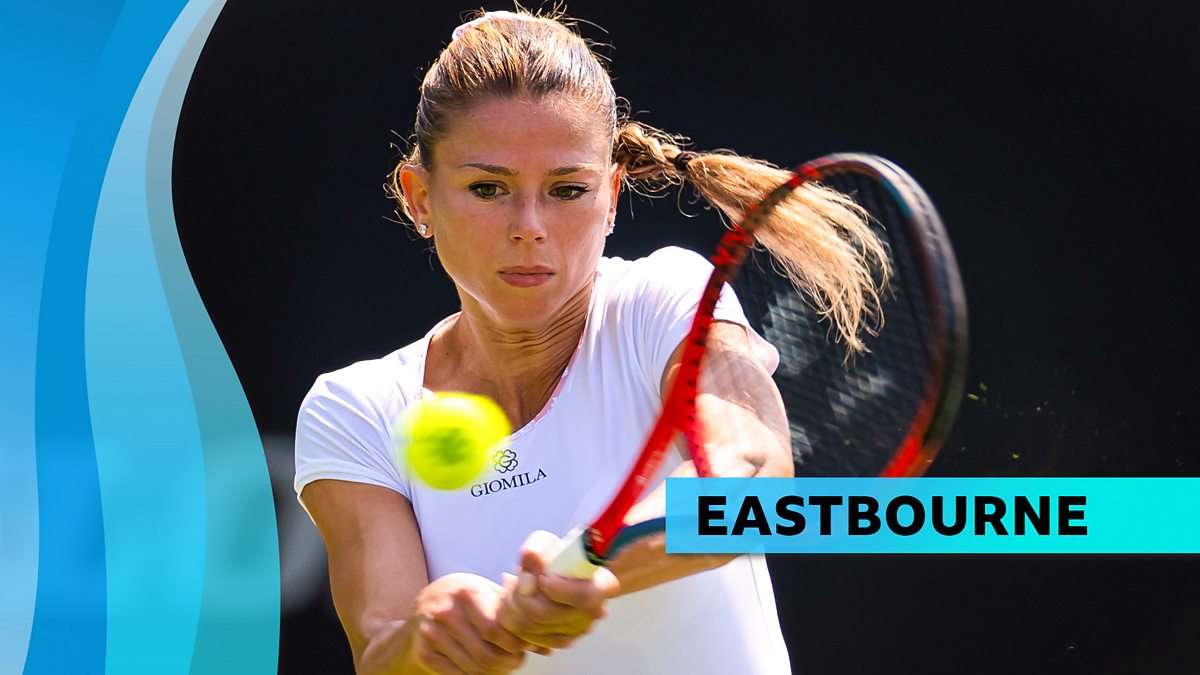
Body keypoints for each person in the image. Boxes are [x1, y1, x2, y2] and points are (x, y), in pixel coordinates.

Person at [295, 9, 888, 674]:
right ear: (420, 197)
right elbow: (382, 649)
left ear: (610, 197)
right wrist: (431, 639)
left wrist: (594, 560)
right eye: (487, 188)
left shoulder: (665, 298)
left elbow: (747, 474)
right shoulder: (357, 408)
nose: (529, 225)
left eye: (566, 189)